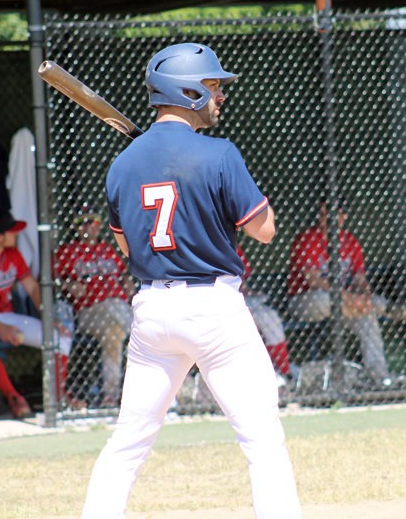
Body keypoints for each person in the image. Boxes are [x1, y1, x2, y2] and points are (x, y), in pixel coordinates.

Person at [81, 42, 301, 519]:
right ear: (188, 91)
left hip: (153, 313)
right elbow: (265, 231)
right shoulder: (219, 154)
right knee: (262, 440)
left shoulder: (123, 165)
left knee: (128, 444)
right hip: (213, 310)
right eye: (213, 86)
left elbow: (128, 247)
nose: (220, 96)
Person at [0, 210, 75, 419]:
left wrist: (50, 320)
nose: (16, 235)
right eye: (12, 232)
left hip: (7, 316)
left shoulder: (13, 255)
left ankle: (57, 397)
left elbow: (33, 288)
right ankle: (14, 397)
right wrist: (0, 328)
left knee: (60, 337)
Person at [287, 198, 394, 388]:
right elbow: (314, 281)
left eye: (331, 214)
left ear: (343, 216)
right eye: (322, 214)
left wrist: (364, 297)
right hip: (306, 301)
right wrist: (352, 299)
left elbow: (360, 279)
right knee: (325, 299)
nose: (324, 218)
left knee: (368, 316)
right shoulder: (308, 239)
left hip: (343, 305)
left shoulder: (350, 242)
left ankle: (379, 376)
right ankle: (383, 308)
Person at [55, 204, 135, 407]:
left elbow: (124, 275)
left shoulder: (108, 249)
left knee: (114, 333)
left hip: (118, 310)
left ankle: (110, 396)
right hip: (90, 311)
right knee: (141, 328)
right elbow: (48, 280)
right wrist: (67, 284)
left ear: (99, 224)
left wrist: (127, 282)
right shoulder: (67, 252)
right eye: (82, 222)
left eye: (93, 221)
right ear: (76, 227)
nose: (88, 226)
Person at [236, 244, 294, 382]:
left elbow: (241, 284)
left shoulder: (230, 243)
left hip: (238, 300)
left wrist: (252, 293)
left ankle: (284, 370)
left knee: (269, 316)